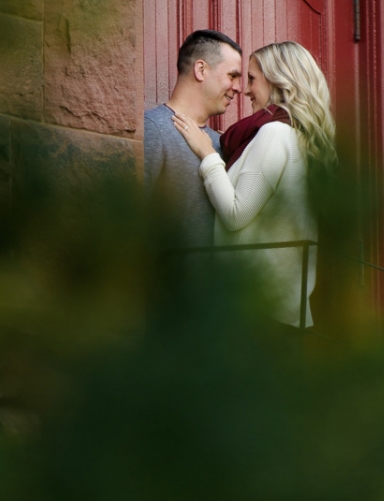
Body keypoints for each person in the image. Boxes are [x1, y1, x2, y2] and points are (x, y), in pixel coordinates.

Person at [172, 41, 337, 329]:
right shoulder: (301, 139)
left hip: (260, 315)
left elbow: (236, 214)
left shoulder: (275, 134)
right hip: (285, 313)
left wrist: (208, 154)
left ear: (277, 80)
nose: (245, 90)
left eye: (251, 79)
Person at [144, 30, 242, 250]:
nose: (238, 88)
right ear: (201, 70)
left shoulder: (219, 144)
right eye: (232, 76)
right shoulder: (154, 129)